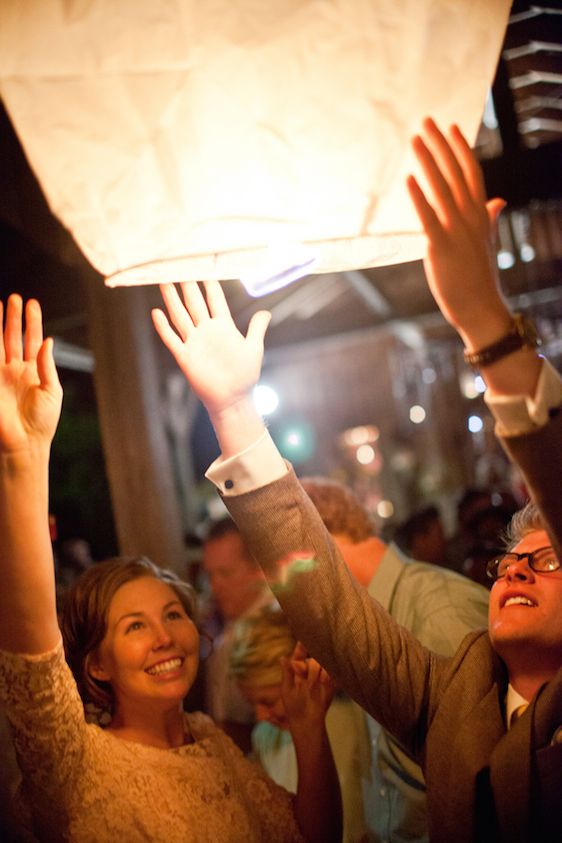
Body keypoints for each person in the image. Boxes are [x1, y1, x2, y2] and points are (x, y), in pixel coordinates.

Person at [152, 118, 562, 842]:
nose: (513, 569)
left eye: (547, 557)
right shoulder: (451, 695)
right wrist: (235, 412)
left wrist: (485, 323)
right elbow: (327, 606)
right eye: (508, 560)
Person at [0, 295, 342, 843]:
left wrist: (308, 732)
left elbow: (304, 835)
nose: (165, 638)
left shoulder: (209, 739)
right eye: (134, 626)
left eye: (173, 615)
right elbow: (31, 654)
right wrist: (23, 459)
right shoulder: (74, 761)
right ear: (97, 666)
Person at [299, 475, 488, 842]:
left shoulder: (438, 613)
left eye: (283, 576)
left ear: (314, 549)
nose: (283, 600)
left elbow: (483, 792)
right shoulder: (375, 619)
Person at [231, 603, 370, 843]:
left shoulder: (353, 718)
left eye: (269, 701)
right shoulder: (265, 736)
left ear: (301, 675)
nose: (261, 716)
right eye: (252, 704)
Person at [202, 517, 273, 751]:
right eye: (210, 575)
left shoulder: (274, 630)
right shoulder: (230, 624)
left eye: (226, 573)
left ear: (259, 569)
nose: (215, 586)